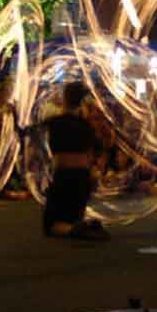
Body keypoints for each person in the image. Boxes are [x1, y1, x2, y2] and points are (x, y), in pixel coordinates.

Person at [42, 81, 108, 240]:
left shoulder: (54, 122)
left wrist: (14, 115)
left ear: (64, 98)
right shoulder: (86, 126)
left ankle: (80, 230)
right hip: (83, 179)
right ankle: (86, 226)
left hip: (64, 177)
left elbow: (26, 133)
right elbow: (98, 148)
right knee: (71, 218)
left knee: (51, 226)